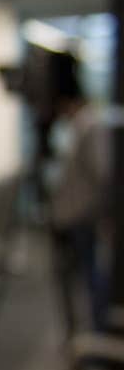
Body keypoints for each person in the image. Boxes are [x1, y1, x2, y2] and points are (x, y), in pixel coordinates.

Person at [48, 52, 112, 333]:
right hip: (77, 218)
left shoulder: (90, 125)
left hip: (86, 219)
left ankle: (99, 333)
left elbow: (104, 175)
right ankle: (91, 333)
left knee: (93, 277)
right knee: (86, 279)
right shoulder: (78, 126)